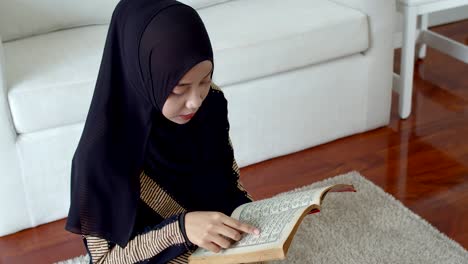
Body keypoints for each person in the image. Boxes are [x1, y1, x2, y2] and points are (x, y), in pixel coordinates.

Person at [64, 0, 261, 263]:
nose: (195, 101)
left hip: (216, 248)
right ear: (143, 75)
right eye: (179, 88)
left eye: (204, 80)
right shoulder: (101, 156)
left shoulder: (210, 103)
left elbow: (230, 181)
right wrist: (180, 229)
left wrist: (259, 219)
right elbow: (104, 260)